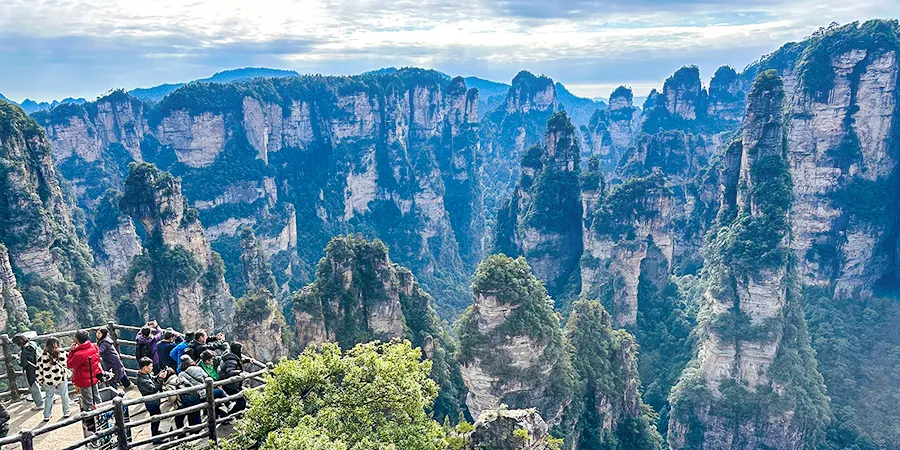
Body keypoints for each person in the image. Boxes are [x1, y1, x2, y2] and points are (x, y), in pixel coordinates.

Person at [38, 337, 71, 421]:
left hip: (48, 379)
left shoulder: (43, 355)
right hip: (61, 377)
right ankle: (66, 412)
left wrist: (40, 380)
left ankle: (47, 415)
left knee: (49, 396)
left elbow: (39, 369)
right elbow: (67, 363)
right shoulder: (62, 352)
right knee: (64, 394)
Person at [67, 330, 103, 408]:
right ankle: (103, 413)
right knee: (97, 396)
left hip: (84, 380)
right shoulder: (94, 346)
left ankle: (92, 417)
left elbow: (70, 364)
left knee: (88, 401)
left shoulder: (78, 354)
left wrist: (72, 351)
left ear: (76, 339)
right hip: (94, 376)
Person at [136, 357, 167, 443]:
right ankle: (155, 438)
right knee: (155, 418)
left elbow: (153, 379)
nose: (152, 368)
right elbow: (154, 389)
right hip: (151, 402)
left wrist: (159, 376)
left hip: (154, 401)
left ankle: (156, 432)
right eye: (150, 366)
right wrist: (160, 379)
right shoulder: (142, 380)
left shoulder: (145, 375)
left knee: (157, 417)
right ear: (145, 367)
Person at [12, 333, 43, 411]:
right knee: (41, 382)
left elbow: (23, 364)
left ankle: (39, 404)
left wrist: (17, 359)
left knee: (33, 386)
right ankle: (46, 398)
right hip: (40, 366)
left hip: (30, 370)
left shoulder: (24, 352)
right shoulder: (33, 344)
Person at [174, 355, 206, 428]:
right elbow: (206, 376)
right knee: (196, 413)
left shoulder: (181, 374)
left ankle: (191, 431)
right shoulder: (198, 369)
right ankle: (197, 429)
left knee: (190, 414)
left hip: (189, 397)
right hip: (200, 393)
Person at [217, 342, 247, 416]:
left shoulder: (229, 355)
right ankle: (231, 415)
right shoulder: (231, 359)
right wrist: (240, 372)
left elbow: (236, 362)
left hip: (228, 383)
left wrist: (247, 360)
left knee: (242, 398)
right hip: (230, 385)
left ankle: (237, 414)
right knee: (242, 400)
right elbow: (229, 372)